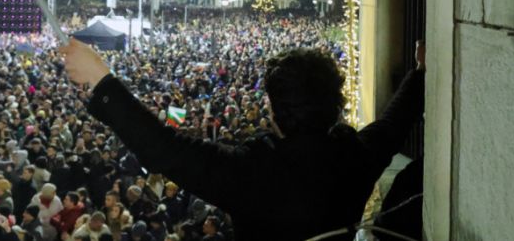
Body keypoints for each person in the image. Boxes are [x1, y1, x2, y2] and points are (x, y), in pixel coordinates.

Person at [59, 40, 426, 241]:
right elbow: (393, 125)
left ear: (274, 109)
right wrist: (421, 73)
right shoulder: (354, 156)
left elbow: (164, 149)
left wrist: (102, 79)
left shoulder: (251, 172)